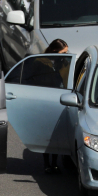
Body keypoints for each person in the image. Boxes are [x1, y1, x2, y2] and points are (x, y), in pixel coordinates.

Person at [42, 39, 69, 174]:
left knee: (57, 135)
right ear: (54, 51)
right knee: (47, 136)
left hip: (59, 101)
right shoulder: (41, 63)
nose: (66, 55)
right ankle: (47, 164)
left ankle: (55, 163)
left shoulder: (63, 63)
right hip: (46, 103)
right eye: (63, 52)